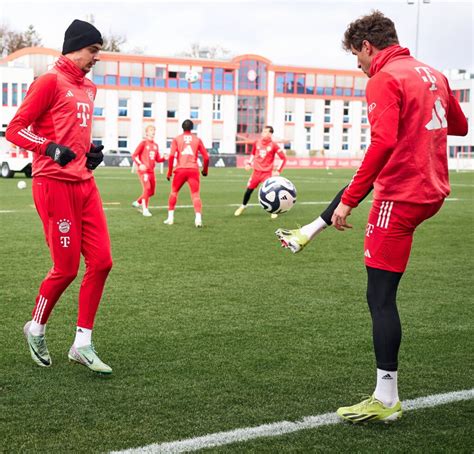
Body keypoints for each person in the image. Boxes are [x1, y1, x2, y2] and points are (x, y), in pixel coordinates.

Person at [276, 10, 467, 422]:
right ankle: (309, 231)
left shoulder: (384, 77)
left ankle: (385, 400)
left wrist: (350, 203)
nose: (358, 65)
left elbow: (380, 145)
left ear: (367, 46)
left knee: (379, 298)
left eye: (356, 56)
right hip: (430, 190)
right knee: (369, 188)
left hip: (401, 196)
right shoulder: (433, 72)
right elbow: (460, 125)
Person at [6, 19, 114, 375]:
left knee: (101, 263)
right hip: (53, 184)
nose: (96, 57)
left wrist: (92, 151)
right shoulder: (48, 81)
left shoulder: (90, 88)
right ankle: (35, 328)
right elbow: (16, 130)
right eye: (93, 51)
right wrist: (50, 148)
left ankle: (82, 344)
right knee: (66, 268)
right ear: (75, 47)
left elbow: (75, 132)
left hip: (85, 183)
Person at [234, 126, 287, 219]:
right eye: (263, 131)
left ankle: (274, 210)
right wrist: (249, 163)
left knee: (271, 192)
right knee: (248, 191)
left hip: (267, 174)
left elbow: (284, 158)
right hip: (256, 173)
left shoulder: (274, 145)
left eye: (266, 132)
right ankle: (243, 206)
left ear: (270, 134)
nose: (263, 133)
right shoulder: (257, 142)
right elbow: (253, 154)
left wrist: (278, 170)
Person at [164, 119, 209, 227]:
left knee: (174, 192)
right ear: (192, 128)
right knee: (195, 195)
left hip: (180, 170)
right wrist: (205, 170)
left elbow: (171, 156)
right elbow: (206, 157)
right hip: (193, 170)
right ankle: (198, 219)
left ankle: (170, 218)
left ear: (182, 128)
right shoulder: (197, 139)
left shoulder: (177, 139)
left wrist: (169, 171)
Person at [131, 125, 165, 217]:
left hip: (151, 171)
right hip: (144, 171)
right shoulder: (143, 143)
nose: (153, 132)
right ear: (146, 132)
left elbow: (157, 159)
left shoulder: (155, 145)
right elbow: (134, 155)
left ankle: (138, 202)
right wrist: (140, 164)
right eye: (151, 130)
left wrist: (164, 158)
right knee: (147, 188)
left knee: (152, 192)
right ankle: (145, 209)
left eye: (154, 130)